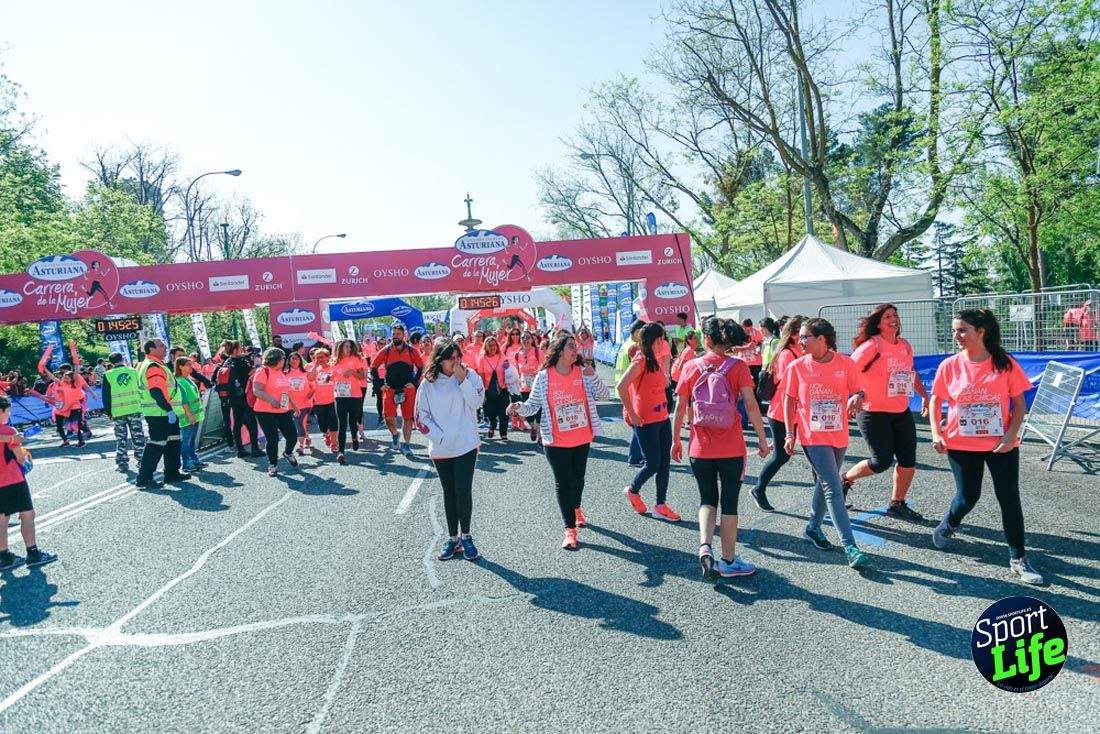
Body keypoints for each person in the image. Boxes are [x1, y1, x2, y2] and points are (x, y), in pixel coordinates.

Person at [929, 309, 1043, 585]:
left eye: (962, 330)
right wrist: (936, 433)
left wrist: (1011, 435)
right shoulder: (949, 365)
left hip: (1001, 444)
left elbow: (1019, 404)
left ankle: (1018, 558)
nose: (957, 336)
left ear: (981, 332)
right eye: (954, 331)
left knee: (1009, 498)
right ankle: (949, 523)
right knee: (968, 497)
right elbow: (935, 400)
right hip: (961, 443)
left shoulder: (1004, 363)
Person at [672, 318, 770, 579]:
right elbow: (751, 406)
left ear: (706, 339)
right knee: (729, 504)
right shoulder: (738, 367)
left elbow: (680, 407)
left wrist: (675, 440)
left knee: (707, 499)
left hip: (700, 447)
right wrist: (762, 440)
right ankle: (728, 560)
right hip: (732, 448)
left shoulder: (691, 366)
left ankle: (705, 546)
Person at [782, 318, 869, 569]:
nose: (800, 341)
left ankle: (812, 527)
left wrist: (857, 397)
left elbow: (860, 391)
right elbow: (789, 400)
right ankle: (850, 547)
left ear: (821, 339)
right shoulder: (797, 367)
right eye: (800, 337)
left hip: (838, 433)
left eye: (805, 337)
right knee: (833, 485)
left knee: (825, 482)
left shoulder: (845, 363)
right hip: (812, 435)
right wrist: (789, 433)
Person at [510, 333, 609, 549]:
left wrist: (593, 376)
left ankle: (576, 507)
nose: (575, 350)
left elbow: (605, 395)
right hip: (555, 440)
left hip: (581, 437)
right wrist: (519, 407)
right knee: (563, 483)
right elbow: (533, 405)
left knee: (578, 479)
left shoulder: (583, 372)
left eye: (575, 346)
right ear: (559, 350)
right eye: (571, 346)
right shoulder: (544, 376)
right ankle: (569, 530)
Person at [842, 304, 929, 520]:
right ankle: (844, 480)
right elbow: (848, 372)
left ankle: (897, 503)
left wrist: (925, 396)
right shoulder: (872, 346)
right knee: (881, 462)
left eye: (895, 315)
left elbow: (910, 372)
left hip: (900, 410)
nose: (893, 319)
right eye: (887, 316)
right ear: (878, 323)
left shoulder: (905, 345)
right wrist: (854, 395)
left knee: (908, 459)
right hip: (873, 412)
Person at [414, 339, 483, 562]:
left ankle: (467, 536)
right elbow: (421, 417)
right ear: (440, 360)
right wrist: (441, 437)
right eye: (450, 359)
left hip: (466, 445)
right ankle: (453, 539)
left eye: (458, 357)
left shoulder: (470, 376)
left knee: (463, 490)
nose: (455, 362)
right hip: (441, 448)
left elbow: (477, 403)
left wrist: (463, 381)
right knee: (449, 492)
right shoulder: (428, 384)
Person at [617, 322, 680, 521]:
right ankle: (633, 490)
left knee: (664, 463)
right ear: (655, 340)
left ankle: (661, 505)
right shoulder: (641, 359)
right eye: (661, 339)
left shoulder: (655, 359)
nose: (664, 343)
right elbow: (621, 386)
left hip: (662, 417)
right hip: (645, 420)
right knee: (653, 463)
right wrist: (632, 414)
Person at [751, 316, 804, 512]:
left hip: (798, 412)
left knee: (816, 454)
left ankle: (831, 495)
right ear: (794, 333)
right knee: (781, 457)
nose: (806, 337)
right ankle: (758, 489)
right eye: (803, 333)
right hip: (782, 412)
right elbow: (789, 382)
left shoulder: (801, 350)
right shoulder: (787, 353)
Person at [0, 396, 57, 570]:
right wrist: (25, 461)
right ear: (2, 411)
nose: (9, 414)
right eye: (8, 410)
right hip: (13, 478)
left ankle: (4, 556)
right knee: (27, 514)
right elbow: (19, 457)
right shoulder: (9, 431)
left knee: (2, 518)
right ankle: (33, 553)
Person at [135, 338, 189, 489]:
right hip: (160, 412)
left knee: (173, 442)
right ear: (151, 349)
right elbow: (156, 390)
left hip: (164, 412)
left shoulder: (157, 364)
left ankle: (172, 473)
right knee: (156, 445)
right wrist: (168, 409)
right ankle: (144, 479)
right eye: (161, 346)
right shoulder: (153, 366)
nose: (165, 348)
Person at [373, 324, 424, 457]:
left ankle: (406, 445)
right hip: (390, 388)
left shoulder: (412, 351)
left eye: (398, 334)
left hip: (408, 389)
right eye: (394, 334)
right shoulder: (386, 350)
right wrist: (380, 385)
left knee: (408, 418)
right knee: (388, 417)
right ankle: (395, 434)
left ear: (404, 335)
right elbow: (373, 368)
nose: (395, 336)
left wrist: (414, 383)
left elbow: (420, 367)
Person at [251, 347, 300, 477]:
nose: (285, 360)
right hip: (265, 411)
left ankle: (288, 452)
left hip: (283, 410)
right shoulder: (263, 371)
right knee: (272, 439)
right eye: (283, 358)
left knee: (292, 436)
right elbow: (257, 390)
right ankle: (273, 465)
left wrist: (293, 405)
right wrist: (271, 400)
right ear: (276, 359)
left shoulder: (280, 372)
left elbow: (286, 392)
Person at [616, 319, 647, 467]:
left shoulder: (626, 344)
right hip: (631, 390)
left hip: (626, 389)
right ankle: (635, 457)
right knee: (637, 424)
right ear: (638, 332)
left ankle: (637, 456)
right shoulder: (634, 348)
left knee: (637, 425)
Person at [332, 339, 367, 464]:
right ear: (340, 348)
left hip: (355, 395)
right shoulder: (334, 361)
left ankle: (354, 437)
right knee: (342, 424)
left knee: (353, 421)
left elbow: (362, 377)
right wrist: (328, 378)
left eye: (350, 346)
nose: (348, 349)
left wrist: (352, 372)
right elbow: (330, 377)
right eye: (346, 346)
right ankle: (341, 452)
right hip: (340, 395)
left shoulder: (356, 359)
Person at [476, 336, 516, 440]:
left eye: (494, 345)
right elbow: (480, 377)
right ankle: (492, 426)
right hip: (488, 390)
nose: (492, 347)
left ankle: (503, 433)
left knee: (504, 412)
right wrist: (482, 393)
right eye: (489, 345)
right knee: (490, 412)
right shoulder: (481, 359)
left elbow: (508, 371)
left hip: (503, 389)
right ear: (486, 347)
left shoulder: (502, 356)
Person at [173, 356, 205, 474]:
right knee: (186, 441)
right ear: (180, 367)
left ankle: (193, 459)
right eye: (188, 365)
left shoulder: (188, 379)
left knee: (191, 440)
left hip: (194, 415)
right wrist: (189, 415)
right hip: (187, 416)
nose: (191, 367)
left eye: (191, 364)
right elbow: (184, 401)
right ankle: (186, 463)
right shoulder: (179, 381)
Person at [286, 352, 314, 454]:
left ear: (300, 361)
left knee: (300, 423)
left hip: (305, 403)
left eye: (297, 358)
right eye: (292, 358)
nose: (295, 360)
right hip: (291, 404)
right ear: (289, 360)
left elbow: (314, 385)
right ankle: (307, 437)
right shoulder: (284, 373)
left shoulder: (305, 373)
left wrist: (310, 395)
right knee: (299, 423)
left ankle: (301, 446)